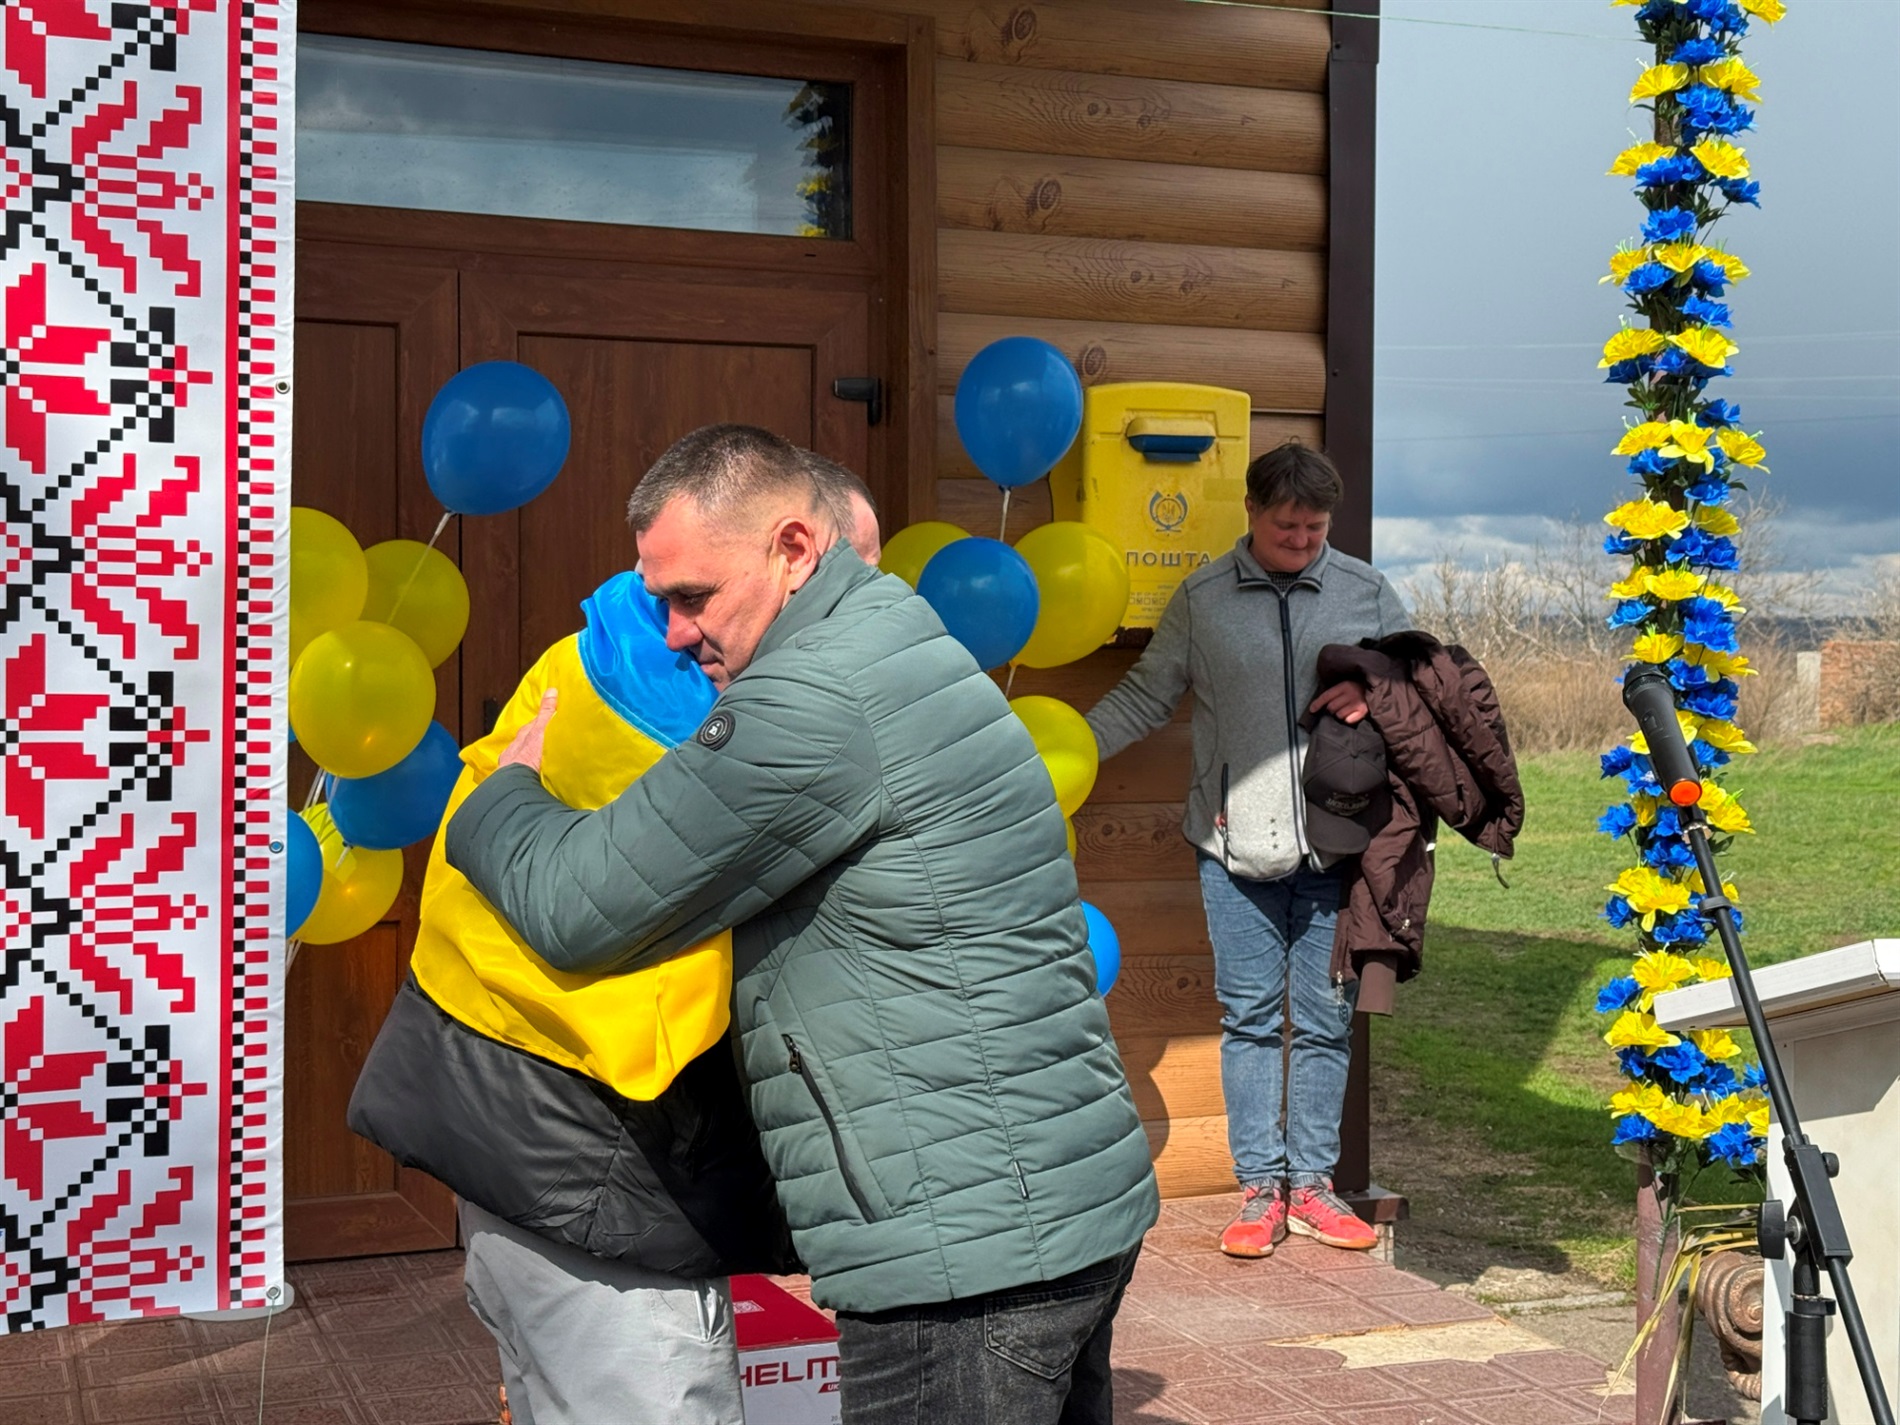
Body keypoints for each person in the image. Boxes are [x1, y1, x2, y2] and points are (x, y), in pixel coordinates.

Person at [446, 424, 1159, 1424]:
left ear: (791, 548)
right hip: (1050, 1210)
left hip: (963, 1260)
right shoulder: (896, 639)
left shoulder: (813, 699)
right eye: (658, 602)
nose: (674, 634)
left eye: (693, 596)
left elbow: (580, 905)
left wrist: (496, 792)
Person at [349, 464, 884, 1425]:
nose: (867, 612)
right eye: (856, 578)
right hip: (598, 1169)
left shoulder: (593, 655)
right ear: (790, 554)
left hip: (502, 1124)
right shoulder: (727, 734)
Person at [1084, 440, 1409, 1260]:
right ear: (1252, 512)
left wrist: (1373, 690)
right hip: (1233, 848)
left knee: (1327, 1021)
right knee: (1253, 1019)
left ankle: (1315, 1189)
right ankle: (1261, 1189)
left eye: (1315, 527)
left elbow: (1419, 688)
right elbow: (1146, 695)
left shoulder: (1368, 591)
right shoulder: (1203, 598)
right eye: (1286, 525)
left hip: (1338, 850)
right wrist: (1067, 750)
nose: (1301, 540)